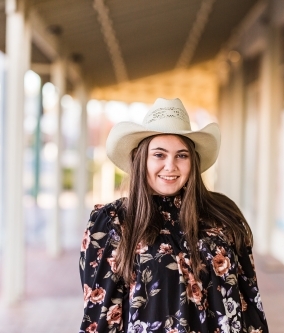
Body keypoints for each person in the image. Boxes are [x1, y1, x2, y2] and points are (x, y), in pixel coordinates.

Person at [79, 98, 268, 333]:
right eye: (159, 155)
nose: (171, 166)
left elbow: (249, 300)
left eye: (182, 155)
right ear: (141, 159)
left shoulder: (223, 216)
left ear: (193, 161)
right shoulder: (112, 222)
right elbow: (100, 317)